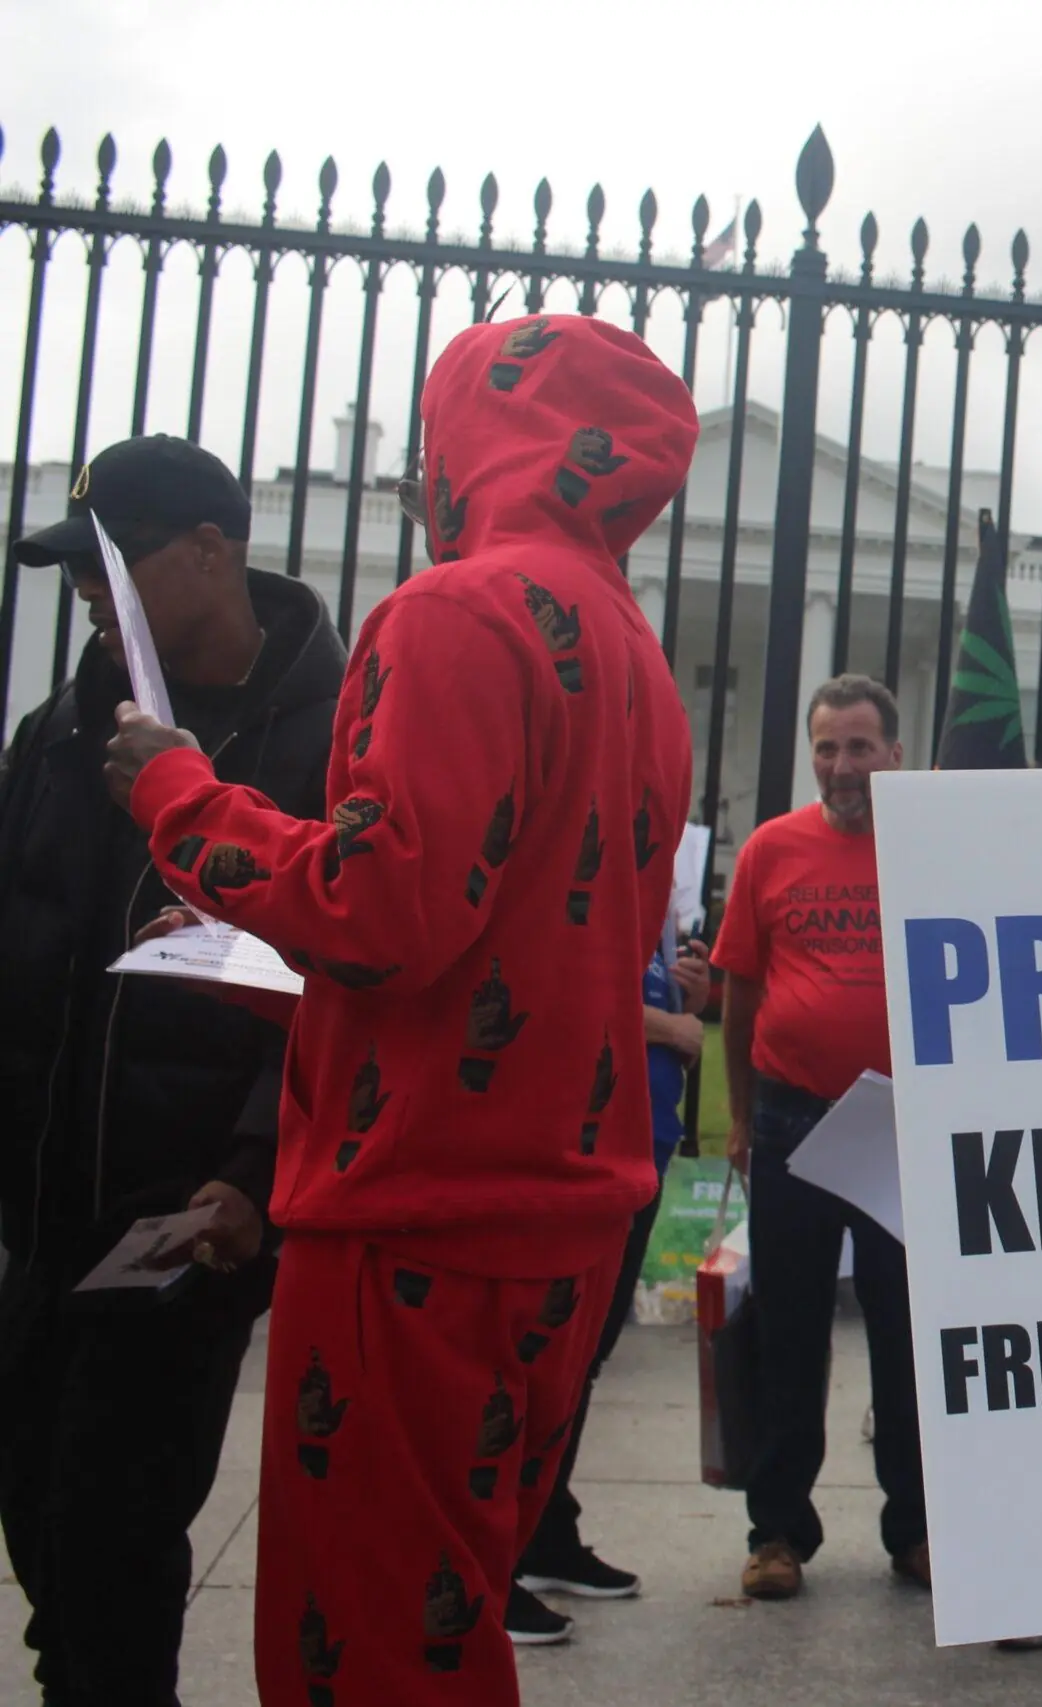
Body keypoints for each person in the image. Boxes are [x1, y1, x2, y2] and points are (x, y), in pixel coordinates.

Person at [101, 313, 697, 1707]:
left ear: (481, 438)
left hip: (419, 1212)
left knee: (364, 1650)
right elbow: (520, 945)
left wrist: (181, 795)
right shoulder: (633, 652)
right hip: (558, 1214)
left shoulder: (455, 611)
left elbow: (384, 909)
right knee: (443, 1623)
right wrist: (265, 953)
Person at [0, 435, 344, 1707]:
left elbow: (344, 982)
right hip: (44, 1208)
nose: (93, 595)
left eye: (116, 565)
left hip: (187, 1216)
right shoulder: (61, 730)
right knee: (39, 1512)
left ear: (211, 551)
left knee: (112, 1535)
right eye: (79, 571)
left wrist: (253, 1171)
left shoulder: (330, 740)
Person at [714, 675, 927, 1601]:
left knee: (907, 1336)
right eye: (828, 747)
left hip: (898, 1128)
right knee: (788, 1334)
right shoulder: (770, 850)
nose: (842, 765)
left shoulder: (929, 847)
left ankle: (917, 1528)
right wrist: (738, 1116)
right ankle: (777, 1532)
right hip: (791, 1119)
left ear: (895, 754)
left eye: (860, 747)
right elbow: (740, 993)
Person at [506, 933, 712, 1643]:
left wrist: (687, 997)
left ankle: (543, 1530)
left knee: (583, 1357)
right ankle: (491, 1559)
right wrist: (671, 1026)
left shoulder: (648, 900)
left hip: (640, 1140)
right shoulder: (581, 881)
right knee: (544, 1353)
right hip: (586, 1140)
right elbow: (559, 986)